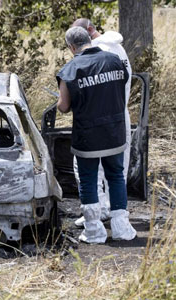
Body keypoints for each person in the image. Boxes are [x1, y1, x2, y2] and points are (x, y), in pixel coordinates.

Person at [56, 26, 136, 243]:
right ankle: (121, 227)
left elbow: (63, 106)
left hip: (88, 136)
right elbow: (122, 88)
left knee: (89, 180)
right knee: (116, 176)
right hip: (114, 130)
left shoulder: (70, 70)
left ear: (72, 47)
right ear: (90, 38)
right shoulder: (115, 60)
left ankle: (94, 230)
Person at [71, 18, 132, 228]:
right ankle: (118, 218)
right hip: (119, 114)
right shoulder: (118, 50)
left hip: (97, 119)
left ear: (87, 32)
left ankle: (95, 215)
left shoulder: (97, 55)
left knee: (89, 171)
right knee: (116, 170)